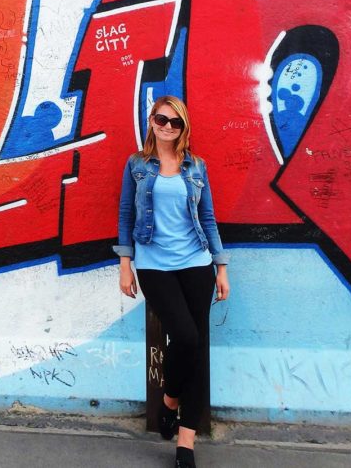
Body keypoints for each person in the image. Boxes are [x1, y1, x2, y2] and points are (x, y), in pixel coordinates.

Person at [116, 95, 230, 468]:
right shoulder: (136, 165)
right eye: (160, 118)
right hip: (154, 265)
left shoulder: (196, 166)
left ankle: (185, 445)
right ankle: (169, 402)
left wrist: (221, 267)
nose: (166, 126)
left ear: (183, 127)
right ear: (151, 120)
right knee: (185, 337)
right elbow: (126, 213)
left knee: (195, 351)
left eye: (174, 122)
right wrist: (125, 264)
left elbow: (208, 217)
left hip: (195, 263)